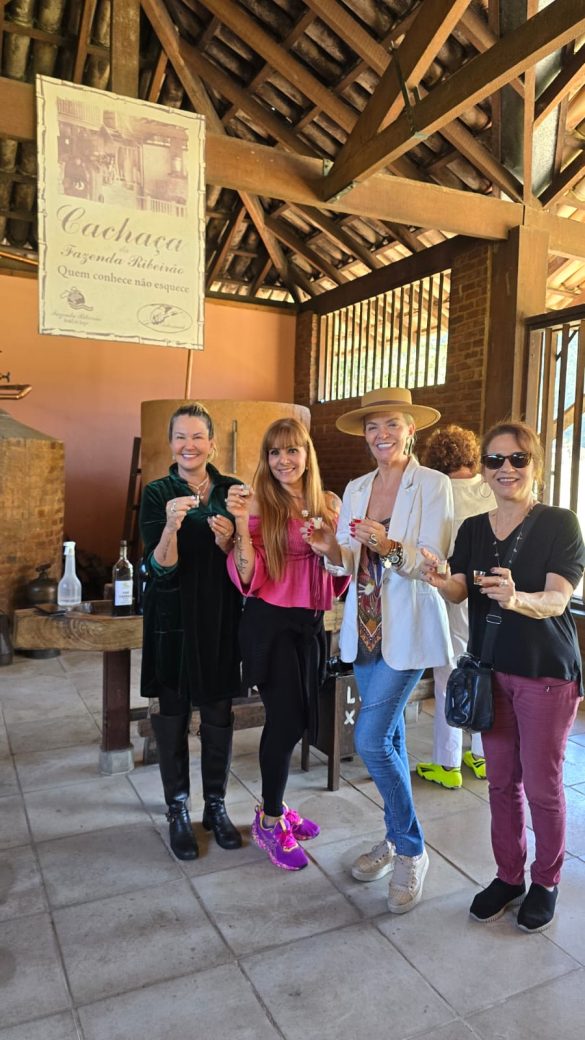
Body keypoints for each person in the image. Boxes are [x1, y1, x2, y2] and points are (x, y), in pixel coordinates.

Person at [422, 419, 585, 932]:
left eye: (517, 459)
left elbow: (558, 598)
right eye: (495, 460)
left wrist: (517, 598)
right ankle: (509, 875)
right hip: (491, 671)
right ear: (484, 470)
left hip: (544, 674)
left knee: (542, 785)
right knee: (500, 785)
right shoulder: (473, 529)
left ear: (534, 466)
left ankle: (546, 880)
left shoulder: (560, 523)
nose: (505, 468)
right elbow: (460, 591)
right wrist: (437, 578)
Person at [306, 387, 453, 914]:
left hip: (409, 629)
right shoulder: (357, 484)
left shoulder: (432, 485)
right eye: (373, 427)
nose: (381, 435)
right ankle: (394, 840)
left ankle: (412, 850)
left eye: (391, 425)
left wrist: (386, 544)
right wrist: (330, 550)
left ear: (411, 429)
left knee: (368, 739)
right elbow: (347, 561)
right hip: (363, 628)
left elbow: (434, 559)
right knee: (387, 738)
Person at [226, 418, 349, 871]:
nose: (283, 461)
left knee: (300, 720)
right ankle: (270, 818)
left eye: (292, 450)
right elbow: (244, 574)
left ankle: (274, 807)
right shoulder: (257, 501)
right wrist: (241, 527)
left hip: (311, 625)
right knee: (287, 720)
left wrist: (329, 547)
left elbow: (341, 569)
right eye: (274, 452)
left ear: (307, 454)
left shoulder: (325, 503)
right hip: (270, 625)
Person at [140, 403, 244, 861]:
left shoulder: (232, 491)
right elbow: (157, 569)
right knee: (173, 710)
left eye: (198, 436)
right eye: (180, 437)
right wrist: (170, 526)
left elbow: (247, 558)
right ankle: (177, 807)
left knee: (218, 709)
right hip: (171, 616)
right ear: (171, 444)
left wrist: (230, 539)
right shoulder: (156, 492)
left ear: (212, 443)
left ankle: (216, 805)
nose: (189, 445)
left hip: (220, 613)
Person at [416, 424, 496, 789]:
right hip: (494, 594)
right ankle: (483, 757)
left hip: (452, 591)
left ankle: (447, 763)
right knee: (485, 673)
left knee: (450, 676)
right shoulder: (490, 487)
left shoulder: (438, 491)